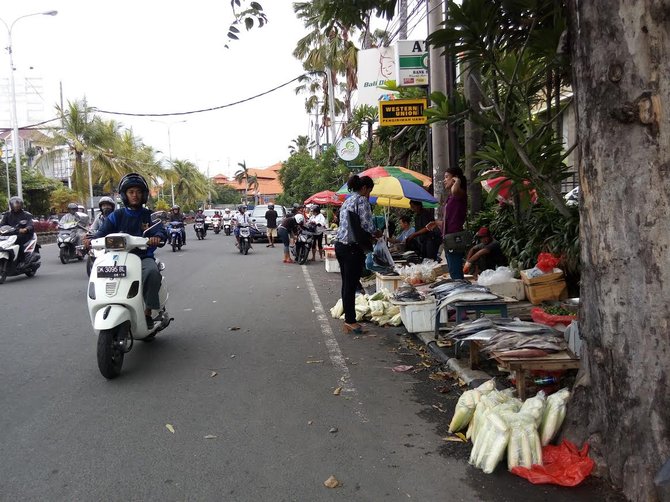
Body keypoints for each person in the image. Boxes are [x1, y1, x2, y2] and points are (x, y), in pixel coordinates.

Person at [86, 173, 167, 329]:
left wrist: (157, 236)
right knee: (98, 273)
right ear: (125, 195)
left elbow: (160, 231)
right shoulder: (116, 215)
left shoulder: (148, 215)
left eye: (138, 192)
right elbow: (101, 233)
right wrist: (90, 240)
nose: (135, 195)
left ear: (143, 194)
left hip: (142, 257)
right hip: (116, 258)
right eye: (131, 192)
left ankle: (148, 312)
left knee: (152, 272)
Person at [335, 175, 379, 334]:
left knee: (346, 283)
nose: (369, 195)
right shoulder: (362, 201)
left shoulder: (347, 200)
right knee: (351, 284)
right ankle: (350, 321)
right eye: (369, 192)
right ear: (365, 188)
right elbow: (367, 226)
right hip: (352, 248)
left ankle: (349, 319)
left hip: (340, 245)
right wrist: (376, 233)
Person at [427, 166, 468, 279]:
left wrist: (458, 181)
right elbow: (449, 221)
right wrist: (436, 223)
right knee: (452, 269)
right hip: (448, 238)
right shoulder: (451, 197)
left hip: (455, 238)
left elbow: (455, 190)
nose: (444, 180)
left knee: (455, 271)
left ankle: (460, 290)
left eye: (447, 177)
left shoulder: (459, 193)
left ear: (454, 179)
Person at [0, 196, 35, 263]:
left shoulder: (26, 214)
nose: (16, 206)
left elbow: (30, 224)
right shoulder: (7, 214)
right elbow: (2, 224)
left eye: (18, 204)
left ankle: (22, 260)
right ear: (11, 205)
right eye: (14, 204)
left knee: (18, 240)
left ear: (21, 205)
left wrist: (26, 229)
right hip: (10, 234)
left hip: (23, 234)